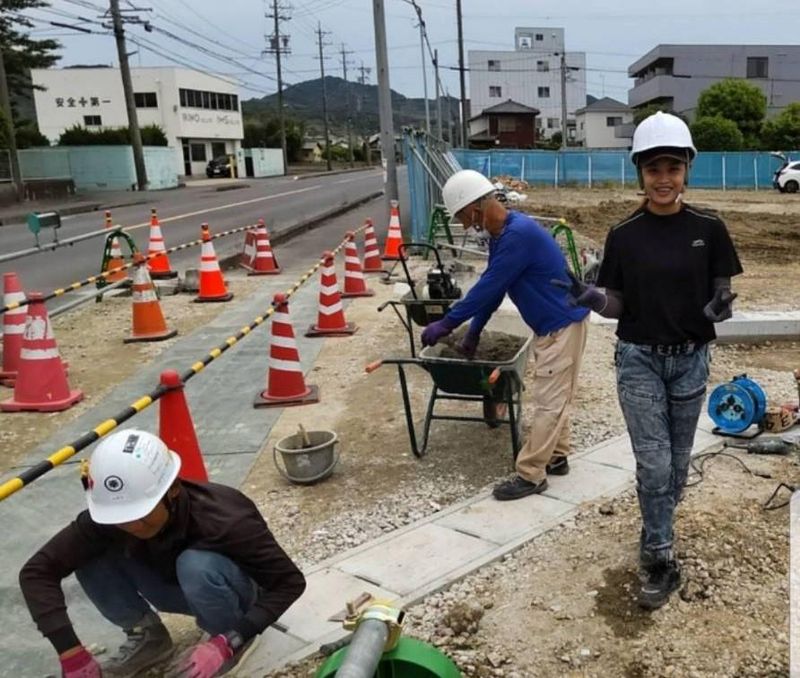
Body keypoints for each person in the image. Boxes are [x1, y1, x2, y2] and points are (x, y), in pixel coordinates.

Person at [557, 111, 742, 610]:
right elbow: (617, 305)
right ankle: (659, 556)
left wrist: (721, 304)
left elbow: (723, 289)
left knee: (676, 470)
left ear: (687, 170)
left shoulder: (710, 228)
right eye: (654, 168)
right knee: (655, 464)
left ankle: (654, 522)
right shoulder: (625, 234)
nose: (664, 179)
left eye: (673, 167)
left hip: (690, 361)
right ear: (639, 172)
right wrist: (591, 297)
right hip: (638, 361)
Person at [19, 429, 306, 678]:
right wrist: (70, 652)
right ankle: (149, 637)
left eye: (140, 513)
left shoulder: (226, 518)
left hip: (230, 589)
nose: (132, 524)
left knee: (195, 564)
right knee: (86, 554)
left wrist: (237, 634)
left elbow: (290, 583)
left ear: (173, 489)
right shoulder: (110, 518)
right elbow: (37, 572)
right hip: (171, 587)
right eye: (121, 516)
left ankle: (225, 639)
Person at [421, 169, 590, 501]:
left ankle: (531, 474)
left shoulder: (518, 235)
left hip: (562, 324)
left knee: (548, 402)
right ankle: (557, 456)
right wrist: (474, 332)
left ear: (476, 208)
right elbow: (495, 289)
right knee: (556, 396)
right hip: (553, 324)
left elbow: (485, 288)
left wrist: (448, 323)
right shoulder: (504, 235)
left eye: (465, 218)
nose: (468, 226)